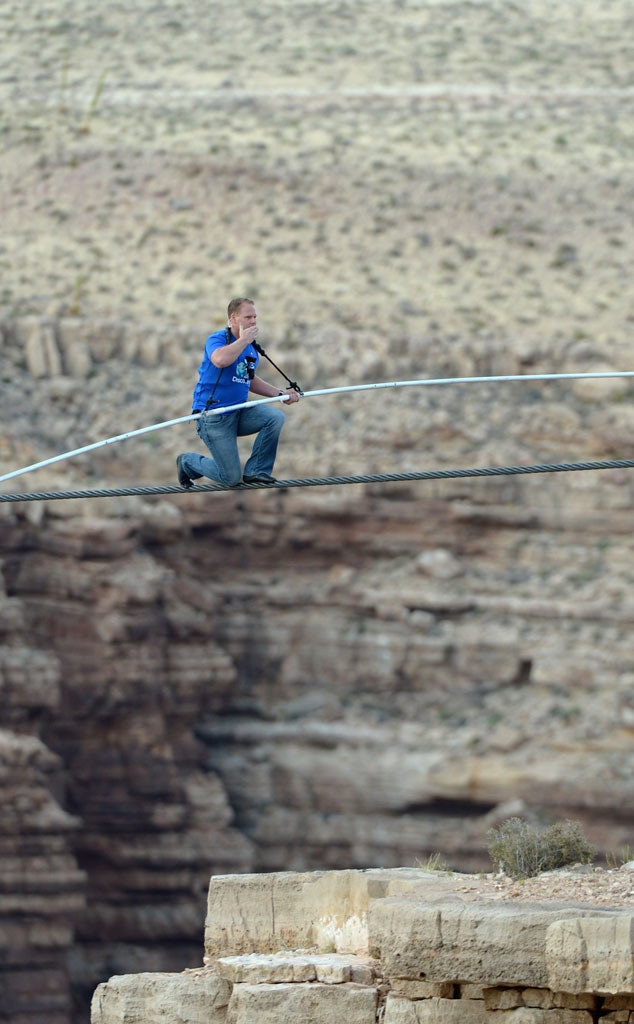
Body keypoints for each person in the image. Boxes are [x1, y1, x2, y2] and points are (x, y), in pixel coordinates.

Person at [176, 297, 301, 488]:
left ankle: (256, 470)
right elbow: (220, 360)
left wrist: (280, 394)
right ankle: (188, 462)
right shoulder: (217, 339)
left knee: (274, 417)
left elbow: (249, 380)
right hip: (213, 418)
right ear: (233, 318)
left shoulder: (251, 349)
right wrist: (243, 340)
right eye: (248, 317)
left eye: (255, 317)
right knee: (231, 478)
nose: (253, 321)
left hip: (239, 412)